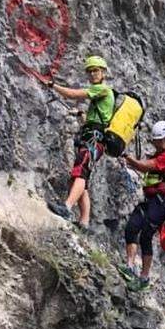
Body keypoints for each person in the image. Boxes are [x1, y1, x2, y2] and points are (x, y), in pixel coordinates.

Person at [46, 55, 114, 229]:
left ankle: (67, 207)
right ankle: (84, 222)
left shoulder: (103, 89)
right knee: (80, 177)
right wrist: (83, 116)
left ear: (103, 72)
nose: (92, 74)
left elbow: (74, 94)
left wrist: (54, 86)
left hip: (94, 139)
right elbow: (96, 121)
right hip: (93, 137)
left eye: (96, 70)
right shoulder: (102, 93)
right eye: (89, 71)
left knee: (80, 173)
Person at [118, 121, 165, 289]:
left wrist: (129, 158)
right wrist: (128, 162)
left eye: (158, 140)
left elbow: (146, 167)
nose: (156, 143)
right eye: (154, 140)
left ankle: (144, 278)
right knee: (131, 227)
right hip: (150, 200)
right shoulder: (159, 154)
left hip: (161, 204)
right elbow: (146, 169)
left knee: (146, 235)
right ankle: (130, 266)